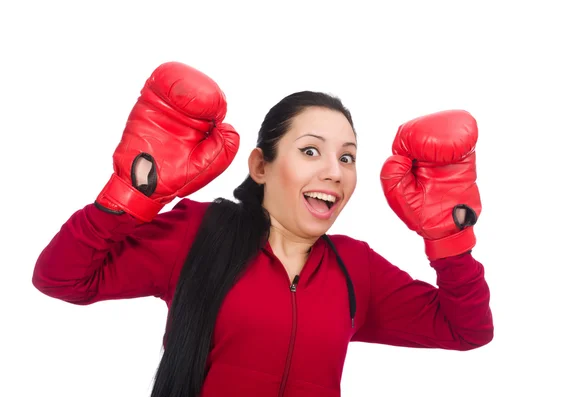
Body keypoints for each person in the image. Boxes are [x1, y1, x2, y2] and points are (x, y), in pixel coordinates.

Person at [32, 61, 494, 397]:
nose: (335, 171)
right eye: (311, 151)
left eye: (347, 157)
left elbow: (466, 329)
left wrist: (449, 241)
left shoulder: (356, 267)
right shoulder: (199, 231)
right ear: (260, 166)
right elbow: (63, 277)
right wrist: (131, 194)